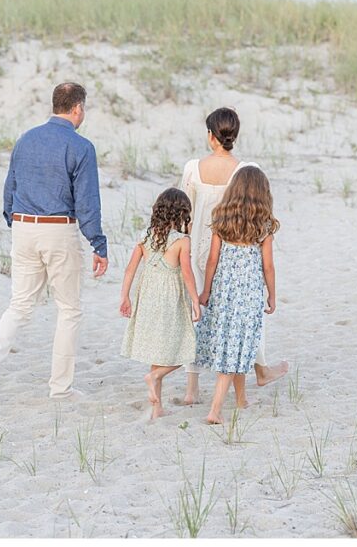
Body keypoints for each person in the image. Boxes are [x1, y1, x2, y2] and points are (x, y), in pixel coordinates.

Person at [0, 82, 108, 409]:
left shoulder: (26, 140)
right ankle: (60, 389)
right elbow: (87, 203)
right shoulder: (81, 146)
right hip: (58, 229)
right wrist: (98, 244)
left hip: (23, 227)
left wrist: (15, 223)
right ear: (77, 109)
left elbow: (9, 189)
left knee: (19, 306)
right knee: (69, 309)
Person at [180, 107, 288, 404]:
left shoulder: (193, 168)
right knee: (244, 316)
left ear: (210, 136)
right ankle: (259, 368)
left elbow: (184, 212)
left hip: (201, 248)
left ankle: (191, 389)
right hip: (234, 253)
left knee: (198, 315)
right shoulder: (246, 170)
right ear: (233, 136)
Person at [194, 166, 280, 424]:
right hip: (249, 294)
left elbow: (212, 260)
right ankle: (215, 410)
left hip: (224, 292)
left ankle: (241, 399)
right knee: (236, 349)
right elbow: (268, 266)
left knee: (236, 346)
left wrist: (207, 290)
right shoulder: (263, 225)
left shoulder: (222, 218)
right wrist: (272, 295)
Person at [119, 188, 201, 419]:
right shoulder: (182, 241)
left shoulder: (145, 237)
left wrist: (124, 296)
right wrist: (195, 301)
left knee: (158, 351)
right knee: (187, 347)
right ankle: (155, 377)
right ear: (182, 213)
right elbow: (186, 273)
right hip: (170, 300)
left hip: (148, 299)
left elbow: (129, 269)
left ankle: (157, 408)